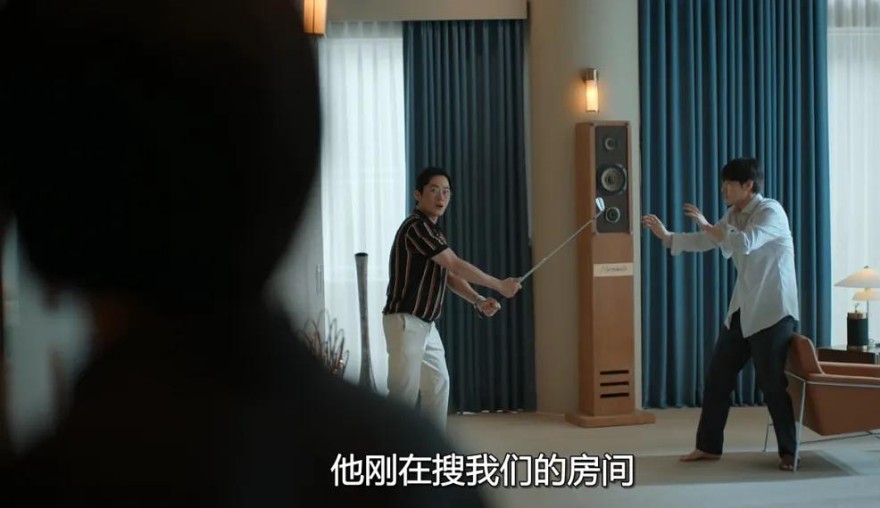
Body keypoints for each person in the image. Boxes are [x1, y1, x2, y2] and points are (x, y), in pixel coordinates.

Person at [0, 0, 487, 504]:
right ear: (295, 188)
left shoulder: (46, 483)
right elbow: (451, 267)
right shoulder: (412, 471)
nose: (443, 196)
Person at [641, 158, 800, 471]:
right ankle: (708, 446)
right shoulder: (734, 214)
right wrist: (668, 236)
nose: (723, 189)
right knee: (717, 377)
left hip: (773, 310)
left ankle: (789, 452)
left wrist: (708, 225)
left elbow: (745, 242)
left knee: (771, 385)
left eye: (730, 184)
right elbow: (709, 239)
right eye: (723, 183)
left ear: (748, 185)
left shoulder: (771, 211)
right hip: (743, 308)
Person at [383, 167, 521, 431]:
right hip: (406, 322)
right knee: (402, 397)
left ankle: (431, 449)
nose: (441, 197)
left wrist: (478, 299)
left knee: (438, 384)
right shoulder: (416, 227)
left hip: (426, 324)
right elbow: (455, 264)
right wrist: (500, 285)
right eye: (434, 190)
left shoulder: (435, 232)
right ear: (418, 194)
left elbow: (450, 276)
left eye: (446, 192)